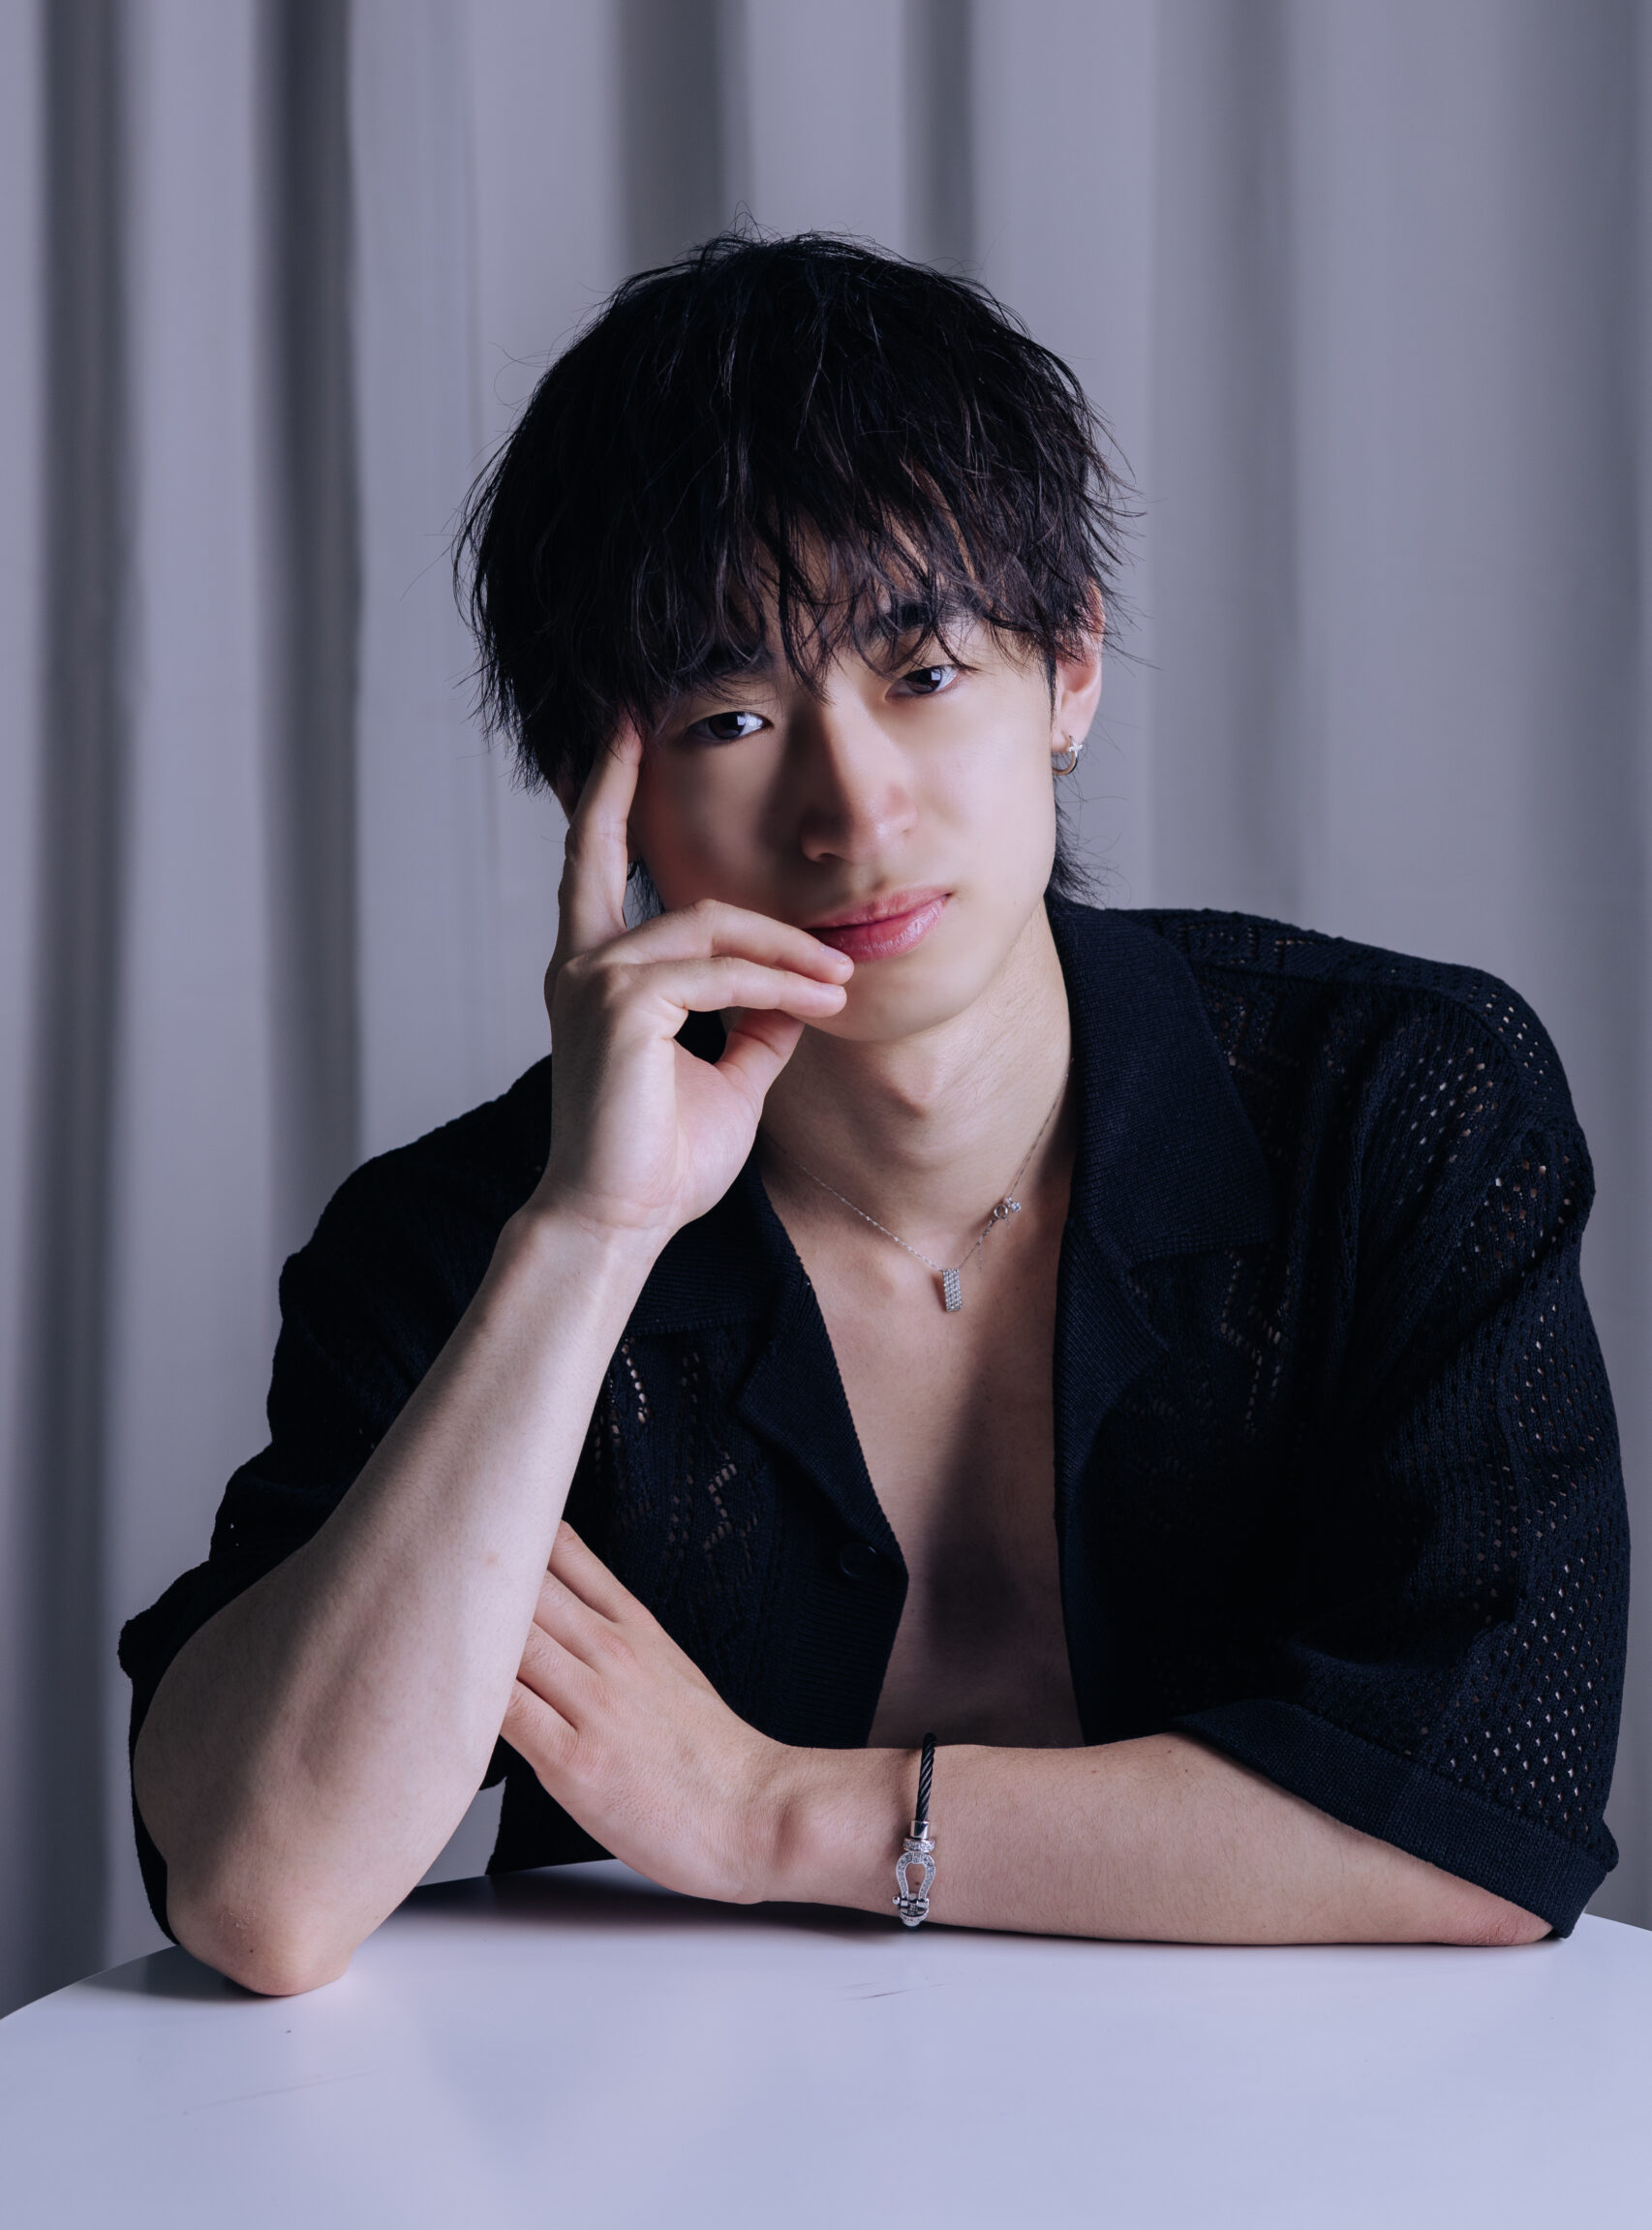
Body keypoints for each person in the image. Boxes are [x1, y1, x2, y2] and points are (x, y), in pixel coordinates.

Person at [121, 233, 1629, 1996]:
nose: (849, 809)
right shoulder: (465, 1242)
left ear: (1068, 671)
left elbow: (1479, 1826)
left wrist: (769, 1815)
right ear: (601, 791)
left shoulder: (1394, 1104)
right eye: (730, 715)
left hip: (1286, 2117)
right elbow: (260, 1893)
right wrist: (589, 1236)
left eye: (922, 676)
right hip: (682, 2121)